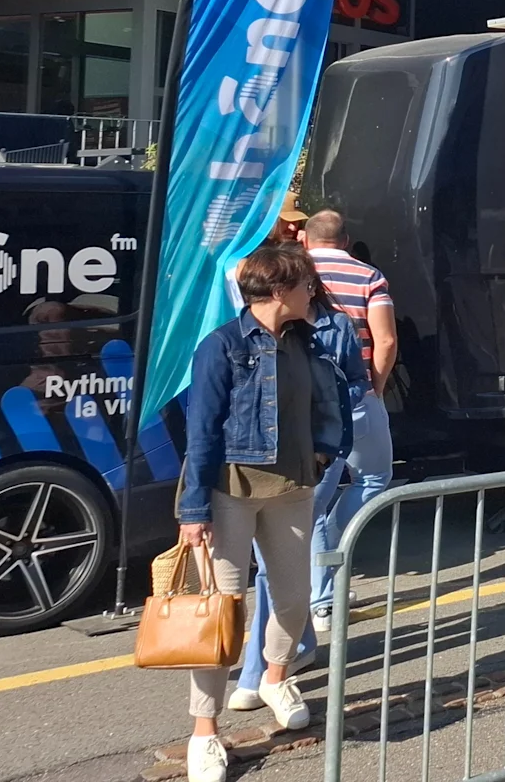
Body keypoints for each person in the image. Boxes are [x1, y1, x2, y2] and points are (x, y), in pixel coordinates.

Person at [176, 247, 351, 782]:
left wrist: (323, 452)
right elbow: (202, 430)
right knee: (222, 618)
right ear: (279, 292)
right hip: (230, 491)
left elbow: (326, 402)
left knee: (295, 598)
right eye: (305, 286)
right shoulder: (222, 347)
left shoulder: (305, 340)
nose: (312, 294)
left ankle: (276, 676)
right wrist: (193, 509)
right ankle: (204, 732)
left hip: (293, 486)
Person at [296, 210, 398, 634]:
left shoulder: (292, 273)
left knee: (312, 501)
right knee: (374, 476)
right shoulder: (369, 277)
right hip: (354, 394)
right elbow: (386, 338)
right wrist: (375, 384)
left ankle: (320, 599)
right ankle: (333, 554)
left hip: (299, 395)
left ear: (305, 239)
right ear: (346, 239)